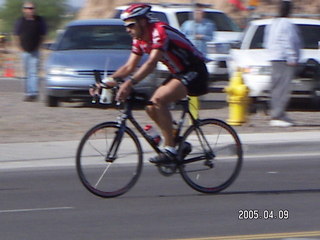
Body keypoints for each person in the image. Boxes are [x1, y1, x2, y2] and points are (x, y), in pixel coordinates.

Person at [90, 4, 209, 164]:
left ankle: (170, 149)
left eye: (131, 25)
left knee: (159, 100)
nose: (128, 29)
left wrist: (130, 83)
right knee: (150, 106)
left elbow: (151, 63)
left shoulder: (159, 31)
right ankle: (177, 142)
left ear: (143, 22)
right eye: (126, 26)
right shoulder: (138, 40)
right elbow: (128, 67)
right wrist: (106, 82)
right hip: (179, 73)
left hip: (196, 71)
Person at [263, 0, 301, 127]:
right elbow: (289, 41)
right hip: (284, 59)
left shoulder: (273, 23)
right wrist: (292, 57)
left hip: (274, 57)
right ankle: (277, 115)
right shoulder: (287, 24)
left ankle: (279, 113)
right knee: (282, 88)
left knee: (276, 87)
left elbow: (267, 41)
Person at [14, 1, 47, 102]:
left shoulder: (39, 20)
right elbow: (16, 35)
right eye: (27, 8)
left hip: (35, 51)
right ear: (23, 9)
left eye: (31, 8)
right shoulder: (20, 21)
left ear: (34, 9)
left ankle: (33, 93)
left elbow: (43, 35)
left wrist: (39, 46)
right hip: (24, 51)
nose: (30, 10)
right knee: (26, 74)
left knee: (33, 73)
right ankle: (27, 93)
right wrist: (19, 47)